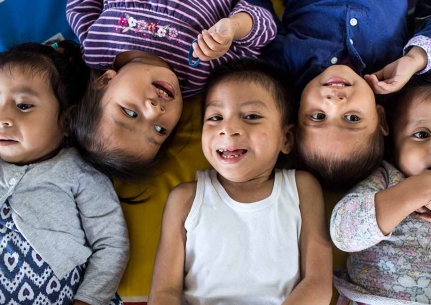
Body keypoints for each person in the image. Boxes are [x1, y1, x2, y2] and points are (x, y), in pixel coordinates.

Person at [146, 58, 332, 305]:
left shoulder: (301, 189)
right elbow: (164, 292)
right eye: (215, 118)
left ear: (286, 138)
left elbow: (318, 282)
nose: (228, 128)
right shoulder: (185, 199)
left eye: (251, 116)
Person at [248, 0, 431, 190]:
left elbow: (259, 21)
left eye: (318, 117)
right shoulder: (396, 72)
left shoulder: (285, 65)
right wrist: (415, 59)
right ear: (381, 118)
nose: (334, 102)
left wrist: (238, 24)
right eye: (353, 118)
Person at [65, 0, 276, 182]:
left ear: (104, 82)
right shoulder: (201, 70)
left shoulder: (96, 44)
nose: (155, 112)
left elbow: (79, 6)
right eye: (159, 130)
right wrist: (233, 27)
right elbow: (264, 28)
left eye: (130, 113)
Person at [330, 61, 431, 304]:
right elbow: (344, 233)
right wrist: (417, 190)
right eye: (422, 134)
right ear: (393, 139)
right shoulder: (387, 178)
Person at [0, 42, 129, 305]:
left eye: (23, 105)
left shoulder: (80, 173)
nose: (3, 117)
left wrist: (89, 299)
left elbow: (111, 244)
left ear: (66, 121)